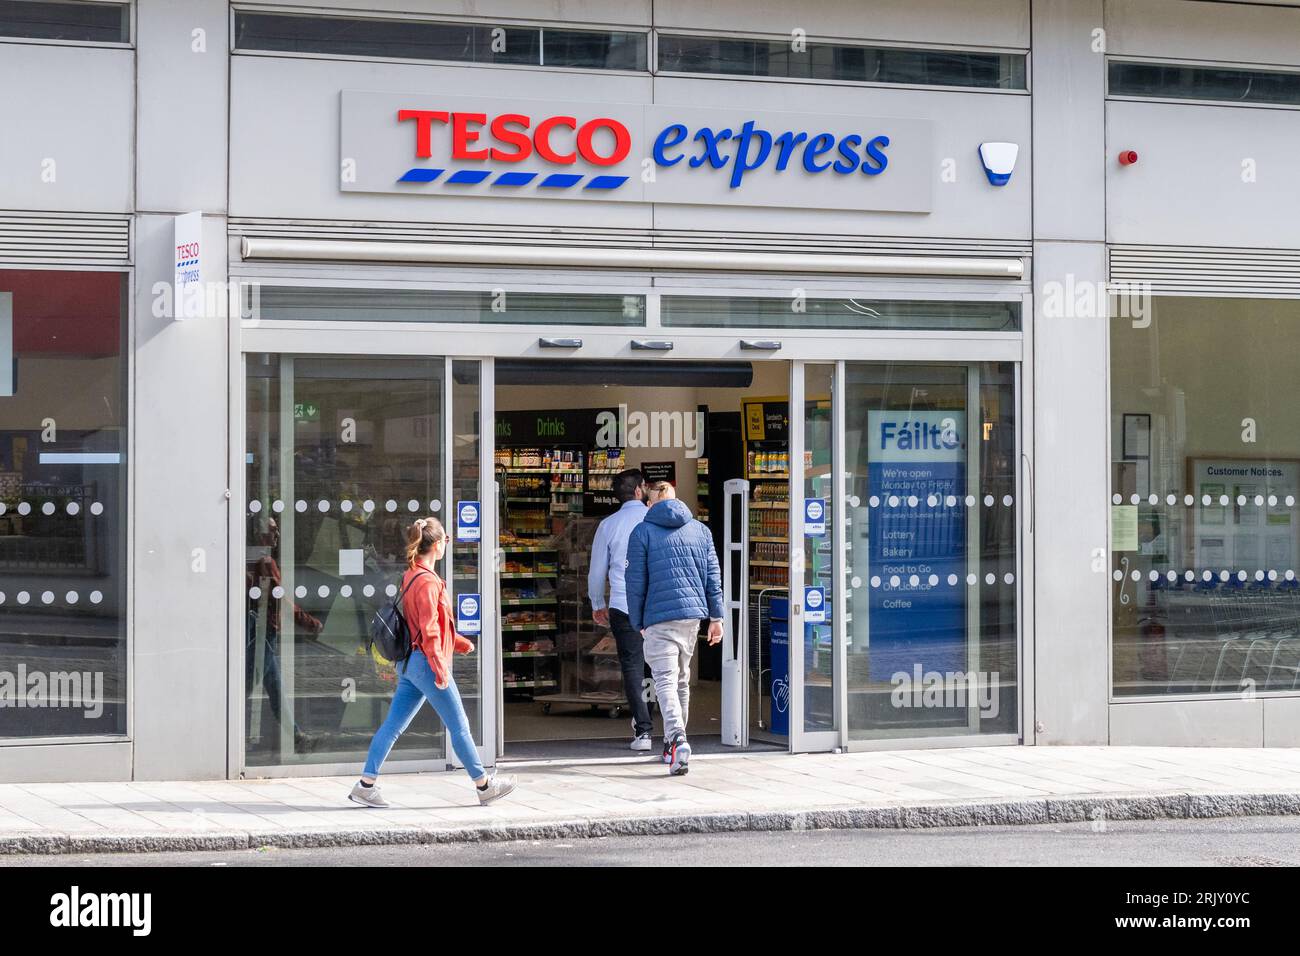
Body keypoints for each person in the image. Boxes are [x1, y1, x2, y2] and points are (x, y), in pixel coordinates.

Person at [349, 517, 516, 808]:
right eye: (446, 541)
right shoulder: (427, 581)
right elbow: (429, 629)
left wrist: (460, 642)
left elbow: (427, 624)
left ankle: (366, 784)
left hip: (412, 663)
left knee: (392, 726)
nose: (446, 546)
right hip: (427, 663)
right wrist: (440, 669)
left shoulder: (411, 575)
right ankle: (484, 785)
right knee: (460, 726)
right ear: (437, 545)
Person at [625, 481, 724, 776]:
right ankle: (673, 741)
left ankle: (678, 738)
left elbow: (635, 582)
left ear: (652, 503)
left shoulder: (642, 532)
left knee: (665, 681)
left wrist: (637, 621)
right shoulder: (700, 531)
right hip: (691, 619)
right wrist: (716, 618)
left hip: (658, 617)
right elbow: (713, 576)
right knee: (682, 680)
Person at [588, 468, 654, 750]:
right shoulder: (655, 520)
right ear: (639, 490)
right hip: (656, 605)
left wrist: (597, 603)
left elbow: (596, 571)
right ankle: (675, 727)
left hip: (623, 605)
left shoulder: (608, 524)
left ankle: (644, 730)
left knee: (632, 666)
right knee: (661, 666)